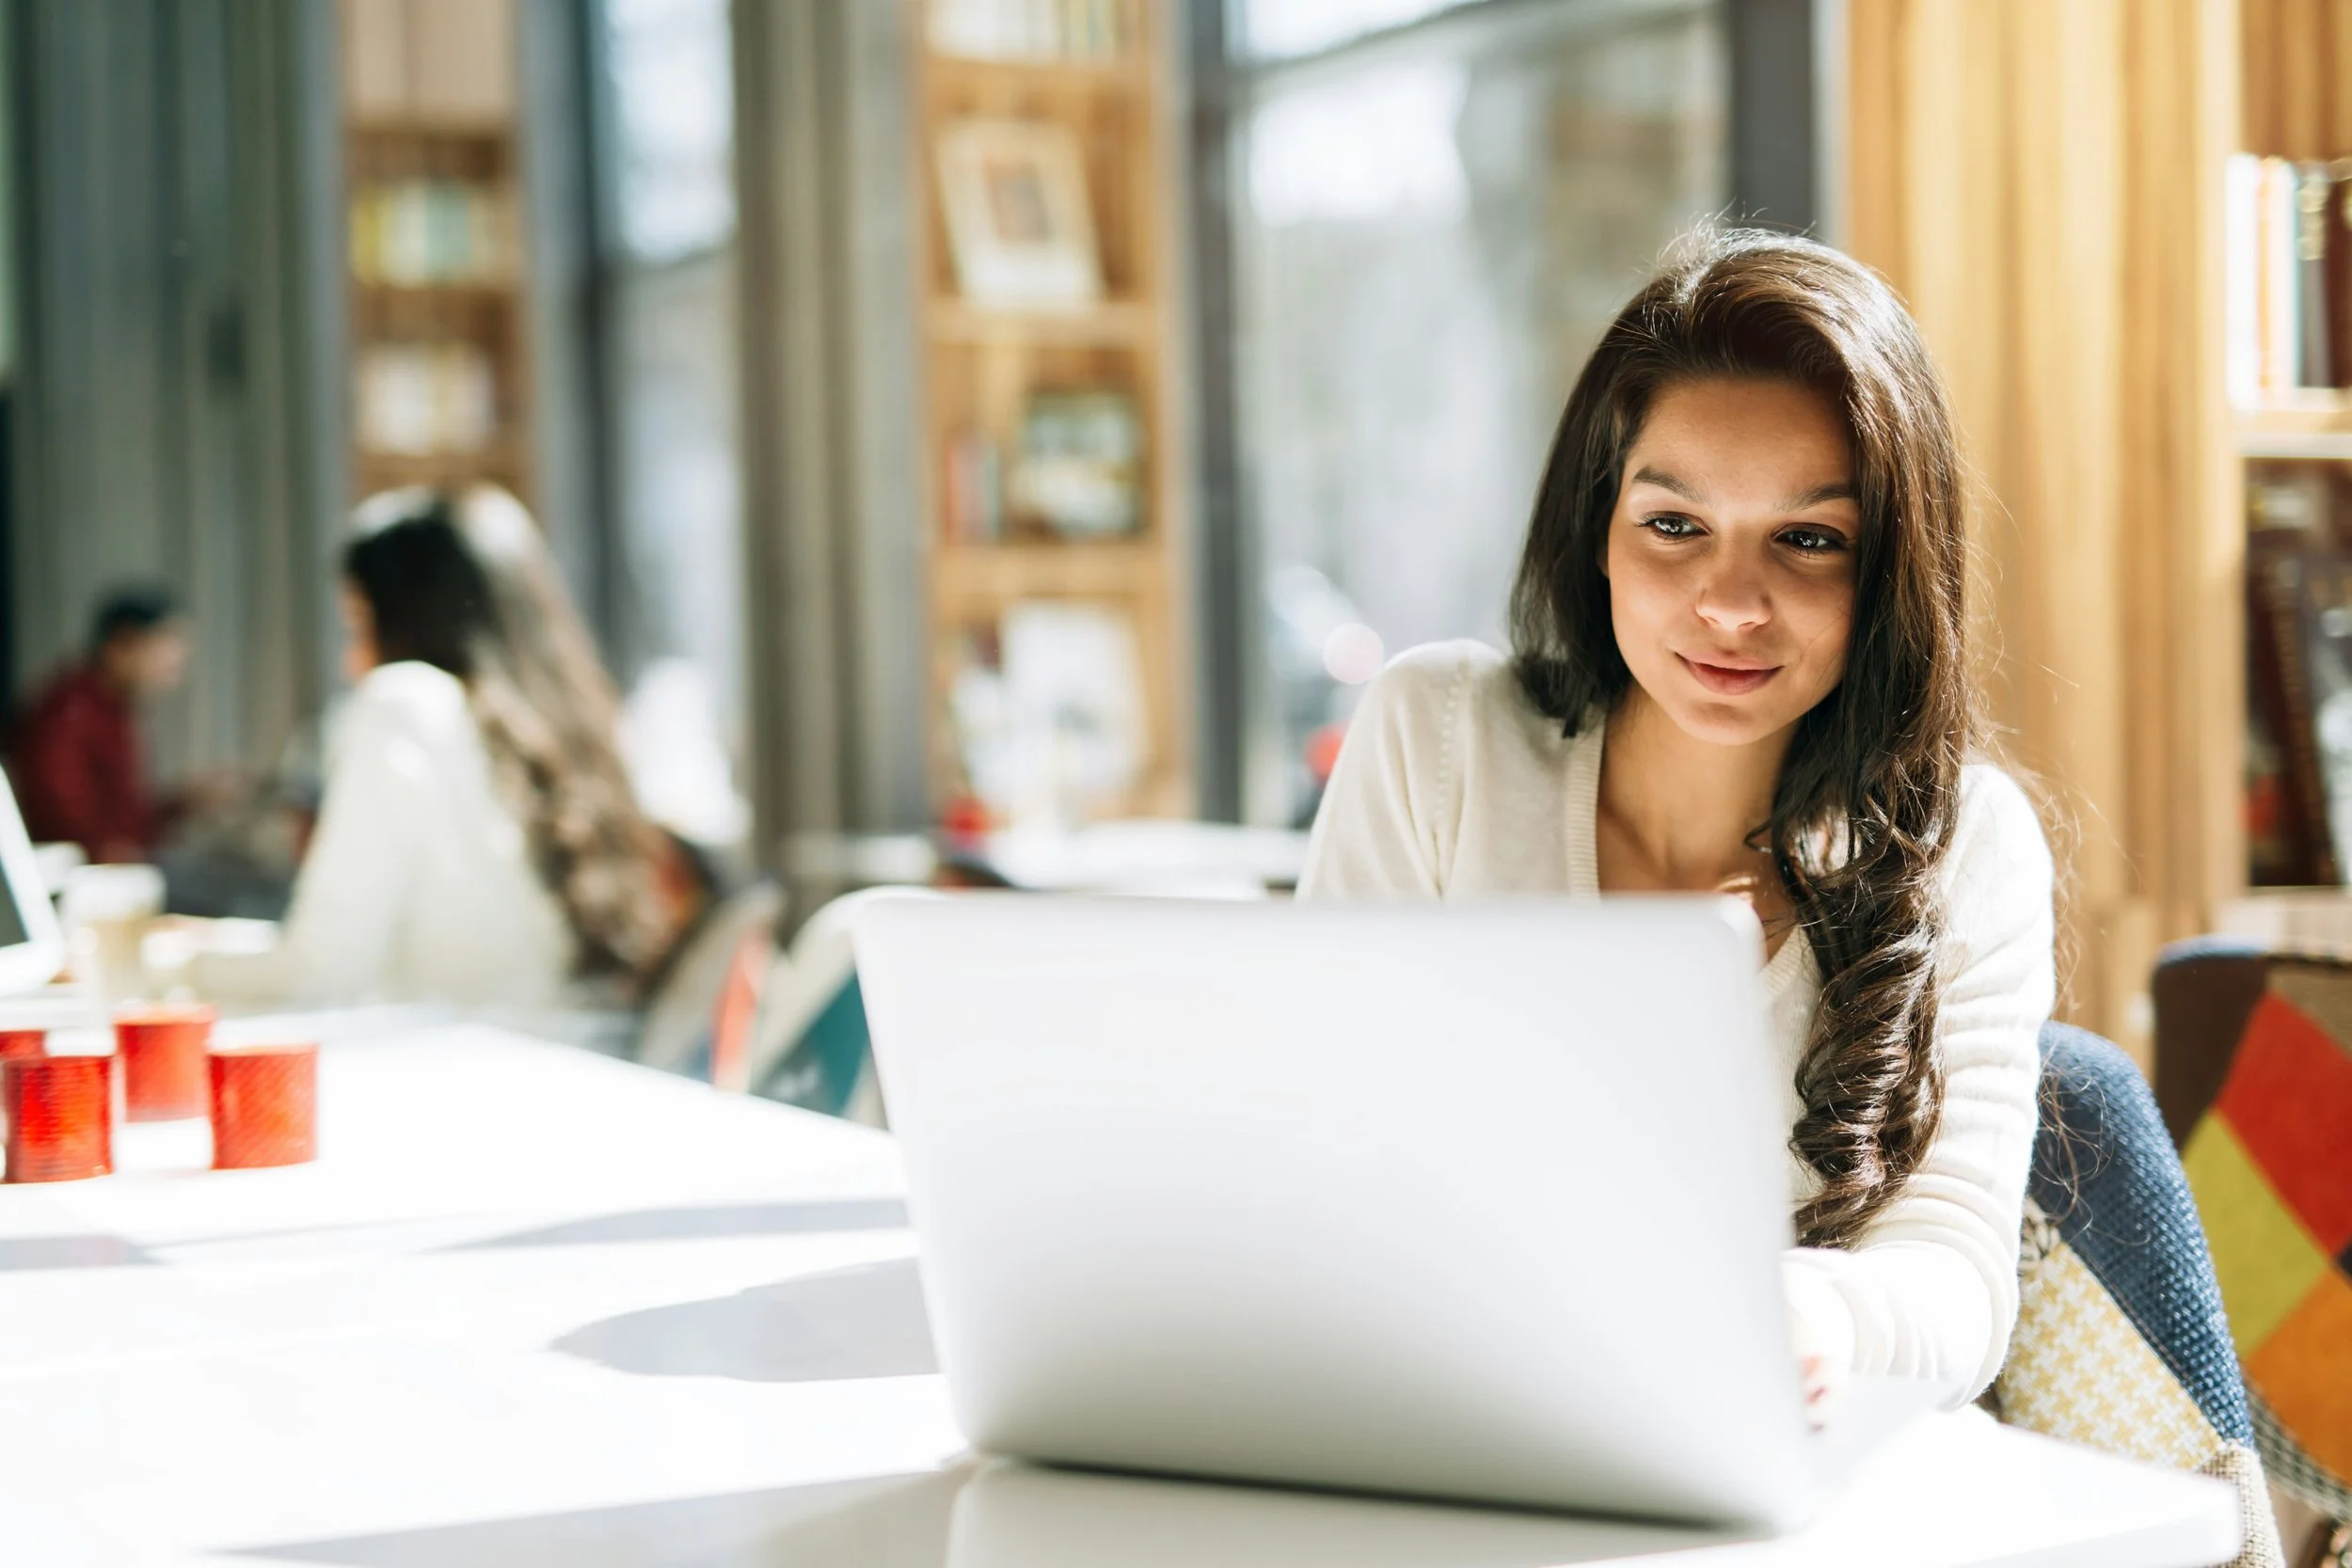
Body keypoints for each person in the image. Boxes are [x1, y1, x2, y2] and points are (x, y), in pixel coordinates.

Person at [1299, 230, 2057, 1419]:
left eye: (1807, 539)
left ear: (1888, 571)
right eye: (1672, 525)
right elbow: (1315, 1163)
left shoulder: (1970, 841)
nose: (1730, 602)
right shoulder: (1438, 740)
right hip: (1439, 1430)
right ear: (1597, 531)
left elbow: (1958, 1278)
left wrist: (1810, 1311)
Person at [199, 486, 692, 1009]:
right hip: (560, 1062)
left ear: (414, 621)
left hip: (456, 1071)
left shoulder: (407, 703)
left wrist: (174, 965)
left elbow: (322, 970)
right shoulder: (571, 730)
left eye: (361, 627)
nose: (352, 662)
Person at [8, 588, 196, 863]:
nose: (172, 674)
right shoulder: (67, 713)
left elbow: (125, 818)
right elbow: (65, 823)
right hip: (79, 874)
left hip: (119, 862)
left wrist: (185, 803)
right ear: (123, 644)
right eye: (164, 657)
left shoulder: (116, 709)